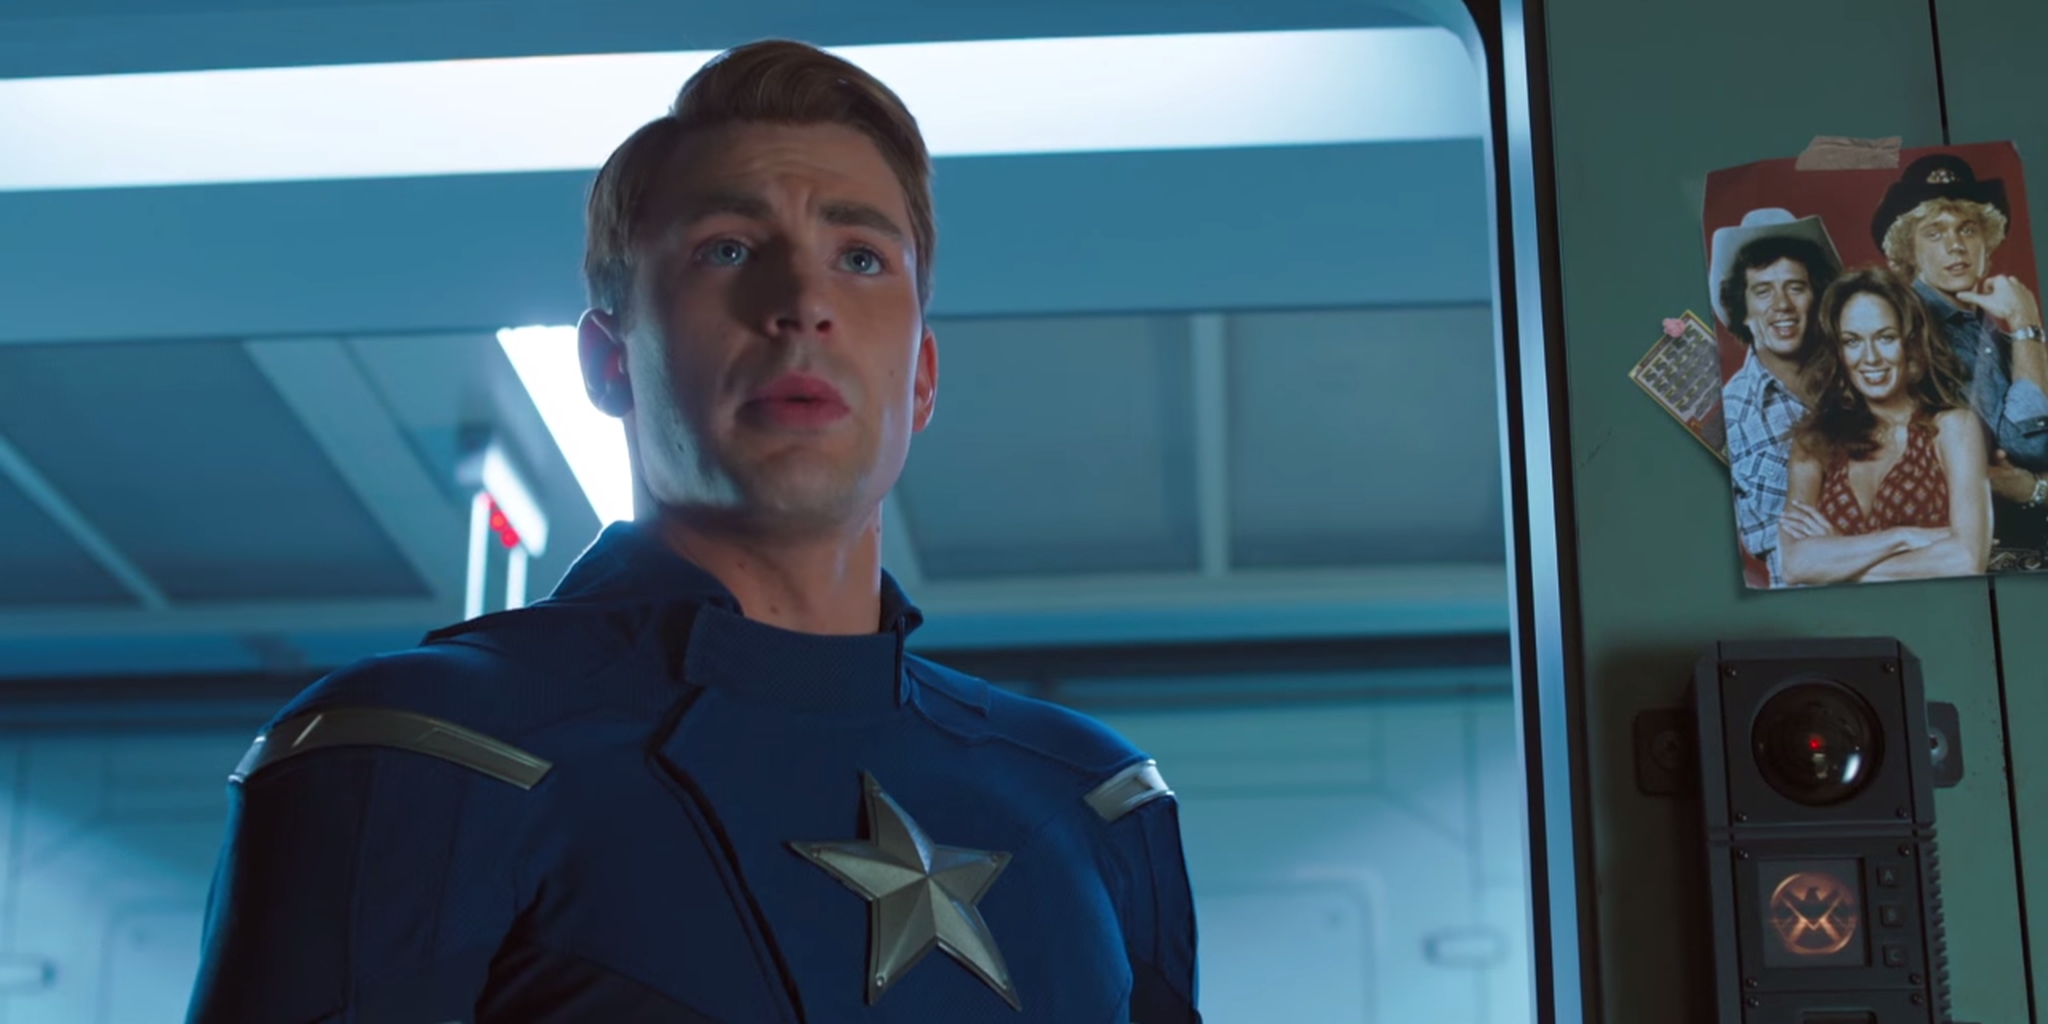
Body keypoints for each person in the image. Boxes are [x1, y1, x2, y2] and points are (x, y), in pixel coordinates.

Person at [186, 40, 1201, 1023]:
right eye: (728, 249)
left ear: (922, 378)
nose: (802, 303)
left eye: (859, 257)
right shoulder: (426, 753)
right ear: (607, 363)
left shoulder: (1092, 801)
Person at [1871, 152, 2048, 560]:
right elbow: (2031, 447)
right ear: (1909, 251)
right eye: (1934, 233)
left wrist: (2033, 487)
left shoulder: (1996, 336)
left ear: (1987, 241)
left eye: (1968, 229)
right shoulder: (1908, 333)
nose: (1956, 246)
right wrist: (2026, 322)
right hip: (1973, 558)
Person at [1778, 267, 1990, 585]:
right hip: (1838, 617)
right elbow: (1794, 565)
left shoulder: (1954, 428)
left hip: (1933, 611)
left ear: (1911, 344)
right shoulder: (1814, 441)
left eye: (1885, 338)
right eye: (1852, 341)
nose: (1871, 358)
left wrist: (1837, 562)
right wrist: (1901, 537)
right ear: (1838, 351)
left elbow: (1967, 559)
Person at [1709, 208, 1843, 586]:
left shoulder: (1860, 377)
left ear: (1818, 297)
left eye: (1795, 287)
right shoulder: (1728, 414)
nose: (1782, 305)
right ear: (1742, 309)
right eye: (1763, 291)